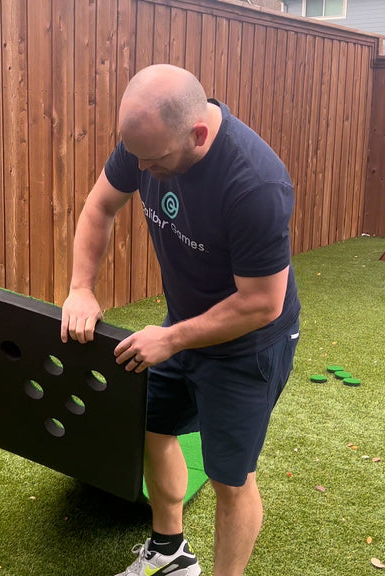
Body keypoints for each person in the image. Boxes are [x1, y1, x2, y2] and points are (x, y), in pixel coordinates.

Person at [60, 63, 300, 576]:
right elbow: (100, 207)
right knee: (149, 424)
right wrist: (81, 288)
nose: (142, 172)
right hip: (180, 327)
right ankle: (170, 553)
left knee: (229, 479)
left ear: (197, 134)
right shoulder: (146, 142)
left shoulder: (254, 183)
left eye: (155, 160)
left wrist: (171, 338)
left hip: (248, 345)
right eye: (137, 159)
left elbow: (263, 302)